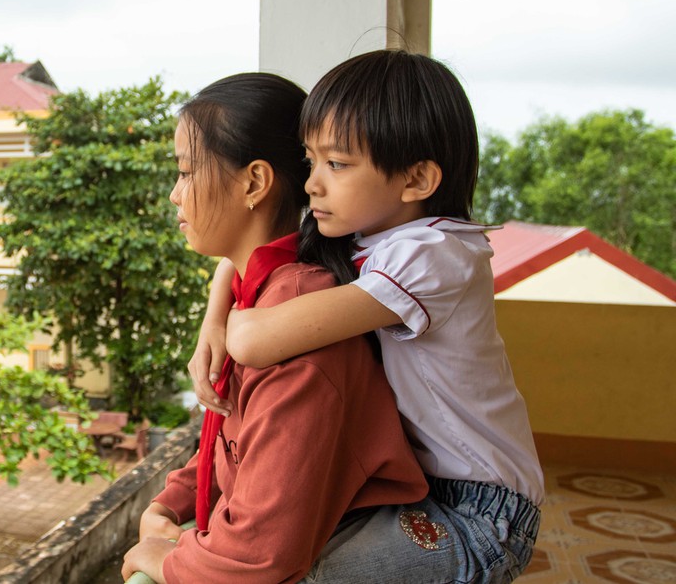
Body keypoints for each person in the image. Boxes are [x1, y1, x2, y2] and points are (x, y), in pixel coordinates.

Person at [190, 50, 543, 582]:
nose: (313, 184)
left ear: (417, 179)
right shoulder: (373, 236)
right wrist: (214, 314)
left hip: (480, 514)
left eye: (337, 164)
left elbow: (258, 339)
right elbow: (240, 268)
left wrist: (234, 321)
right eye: (310, 162)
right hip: (424, 488)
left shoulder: (434, 253)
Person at [120, 72, 427, 583]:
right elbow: (238, 443)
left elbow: (260, 557)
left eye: (186, 172)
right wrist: (170, 504)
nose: (176, 195)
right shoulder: (259, 293)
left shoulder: (298, 325)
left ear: (255, 183)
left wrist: (165, 559)